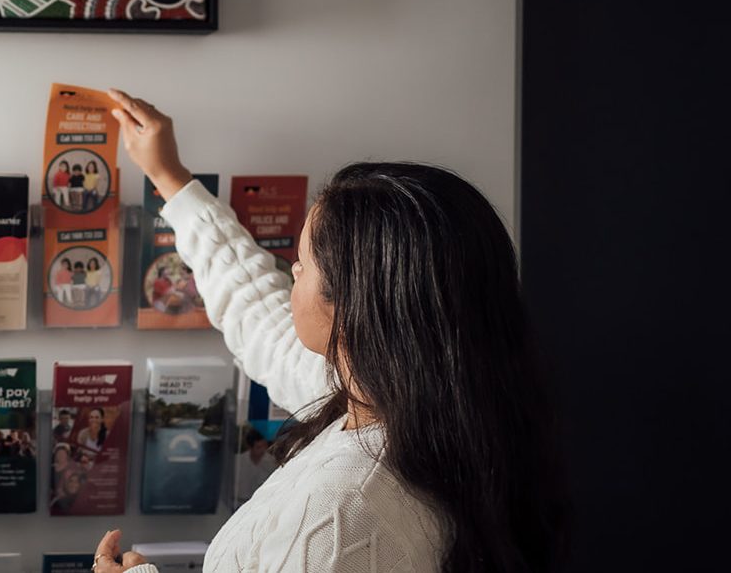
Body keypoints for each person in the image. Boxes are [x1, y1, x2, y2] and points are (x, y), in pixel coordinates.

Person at [91, 89, 566, 573]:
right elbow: (260, 313)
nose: (289, 274)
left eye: (300, 266)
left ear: (356, 307)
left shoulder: (342, 509)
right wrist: (170, 178)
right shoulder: (424, 412)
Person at [232, 428, 277, 503]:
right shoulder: (237, 461)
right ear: (250, 447)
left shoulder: (272, 462)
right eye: (259, 447)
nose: (263, 450)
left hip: (261, 502)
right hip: (238, 502)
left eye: (265, 446)